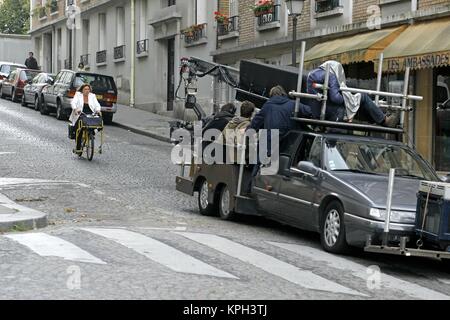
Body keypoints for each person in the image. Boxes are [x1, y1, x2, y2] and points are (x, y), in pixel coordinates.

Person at [307, 60, 398, 127]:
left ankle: (378, 118)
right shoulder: (331, 76)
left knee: (356, 105)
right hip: (333, 113)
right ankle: (383, 120)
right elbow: (335, 98)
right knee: (362, 97)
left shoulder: (312, 74)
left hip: (319, 113)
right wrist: (346, 99)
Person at [69, 84, 102, 155]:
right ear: (82, 90)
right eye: (85, 89)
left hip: (90, 114)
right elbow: (73, 102)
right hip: (81, 113)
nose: (87, 91)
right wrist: (75, 109)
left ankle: (92, 133)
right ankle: (78, 148)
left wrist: (98, 110)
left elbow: (97, 104)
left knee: (100, 124)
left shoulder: (92, 96)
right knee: (79, 129)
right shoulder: (78, 95)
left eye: (88, 89)